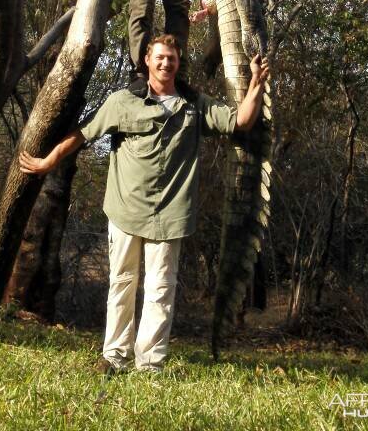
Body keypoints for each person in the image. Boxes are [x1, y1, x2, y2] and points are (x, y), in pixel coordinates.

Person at [19, 34, 270, 374]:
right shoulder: (122, 101)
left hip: (171, 215)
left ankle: (150, 364)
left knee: (160, 290)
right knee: (121, 284)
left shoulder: (194, 104)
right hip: (125, 210)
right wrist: (49, 161)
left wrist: (256, 82)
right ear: (148, 62)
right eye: (161, 57)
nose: (167, 63)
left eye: (173, 58)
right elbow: (84, 134)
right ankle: (115, 357)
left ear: (178, 64)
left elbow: (241, 121)